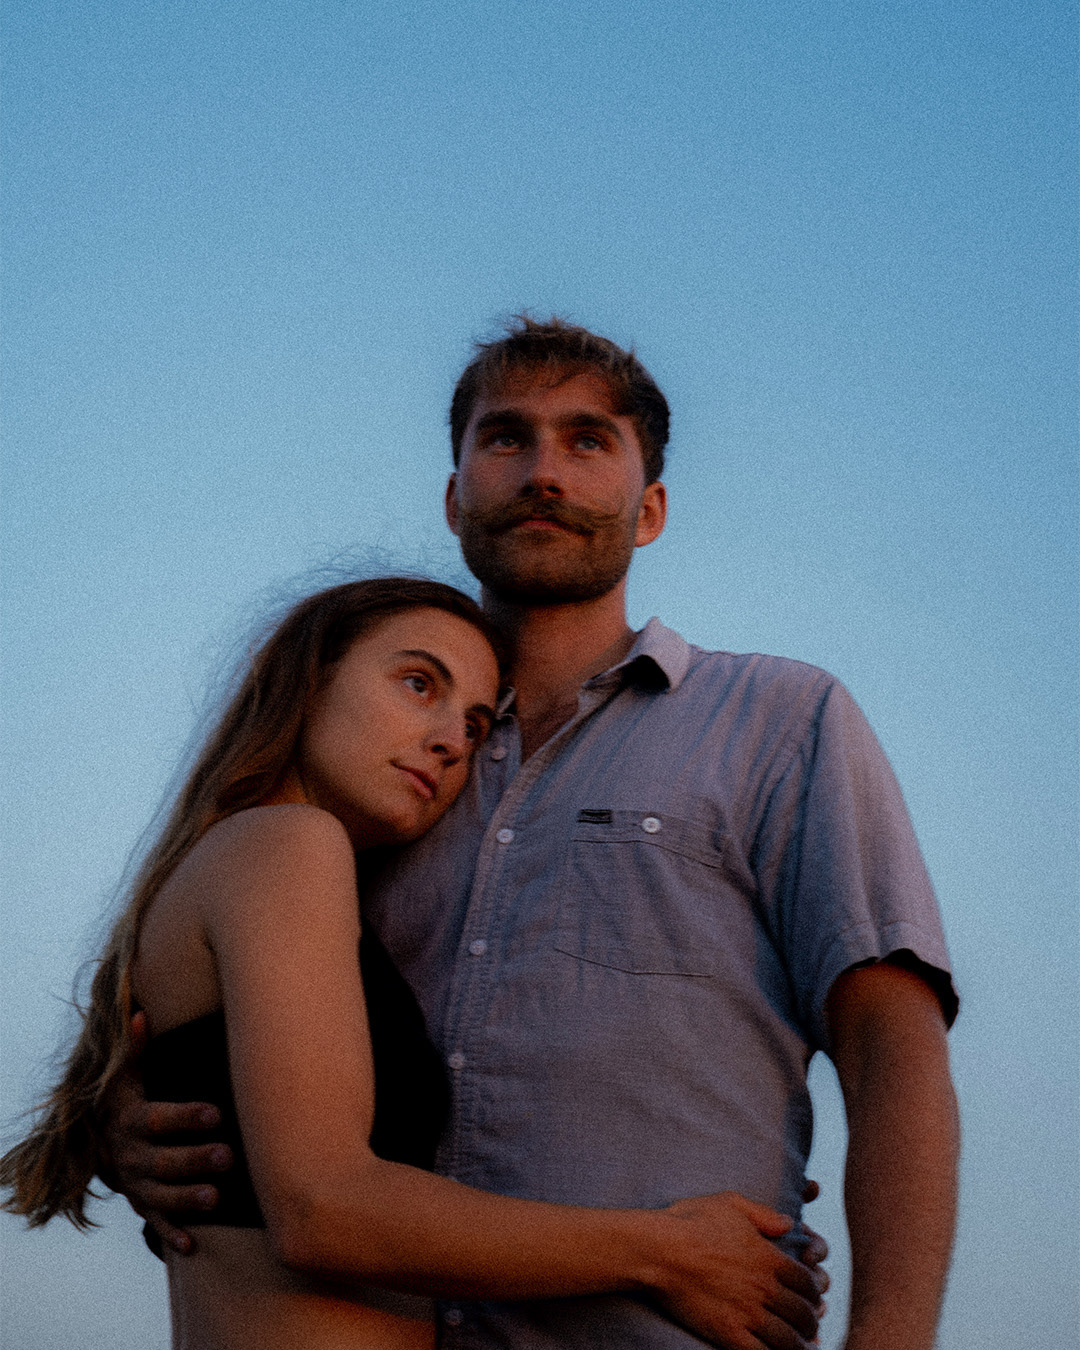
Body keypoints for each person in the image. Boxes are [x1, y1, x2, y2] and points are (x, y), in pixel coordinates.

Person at [103, 317, 959, 1350]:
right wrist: (139, 1127)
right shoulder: (379, 786)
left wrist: (890, 1338)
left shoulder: (780, 720)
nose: (544, 471)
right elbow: (264, 1081)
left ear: (649, 510)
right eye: (506, 437)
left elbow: (892, 1045)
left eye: (588, 440)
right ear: (455, 497)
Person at [2, 577, 830, 1350]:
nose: (447, 742)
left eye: (474, 725)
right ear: (308, 679)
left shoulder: (258, 874)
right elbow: (324, 1209)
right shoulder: (288, 844)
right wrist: (672, 1252)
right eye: (418, 684)